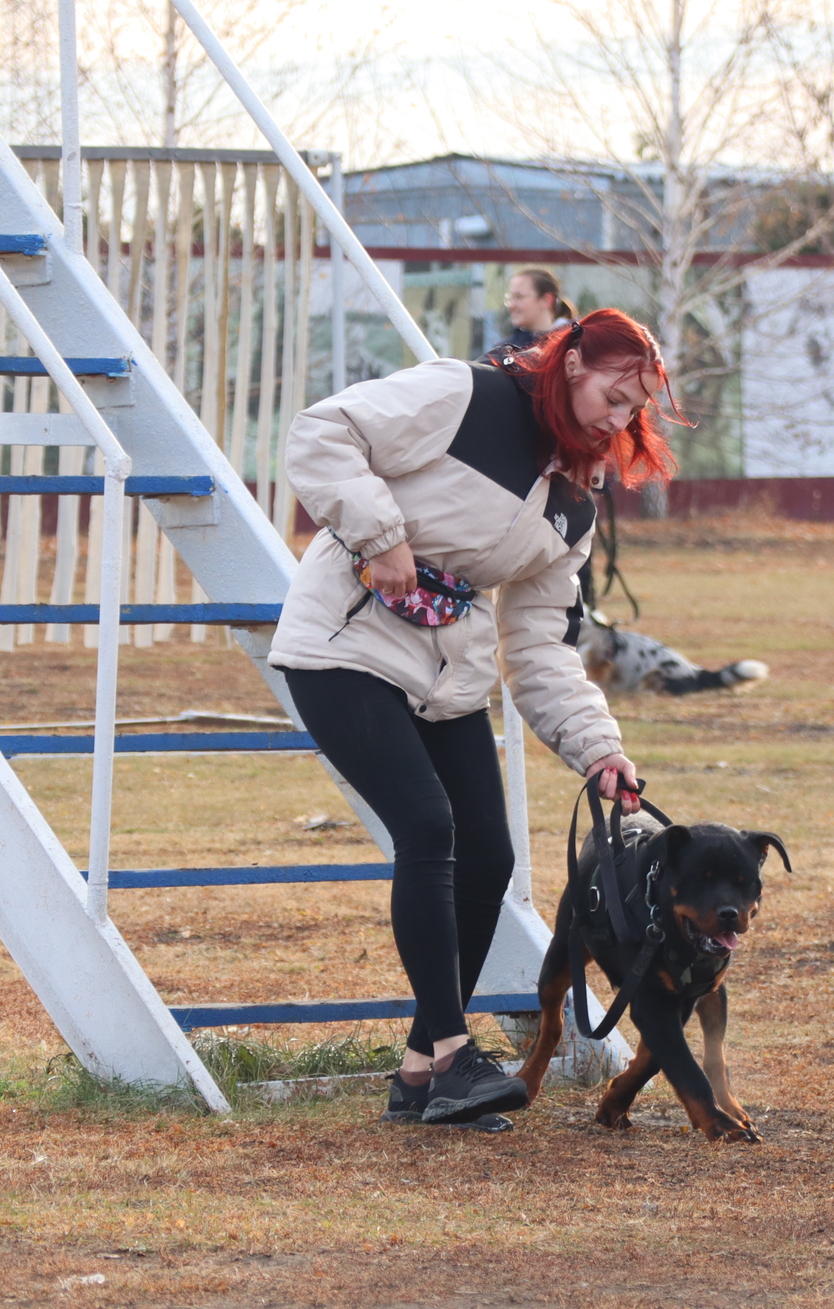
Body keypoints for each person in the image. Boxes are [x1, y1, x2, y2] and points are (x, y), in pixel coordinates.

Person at [269, 308, 679, 1128]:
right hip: (342, 645)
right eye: (614, 394)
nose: (621, 419)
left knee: (489, 855)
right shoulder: (467, 395)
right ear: (570, 365)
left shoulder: (574, 503)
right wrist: (381, 534)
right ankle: (454, 1054)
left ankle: (422, 1073)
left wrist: (599, 749)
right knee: (428, 827)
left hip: (445, 670)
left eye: (636, 410)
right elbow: (320, 433)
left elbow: (540, 646)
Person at [490, 267, 576, 357]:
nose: (511, 305)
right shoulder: (504, 351)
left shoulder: (574, 344)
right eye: (510, 298)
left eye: (519, 297)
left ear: (547, 300)